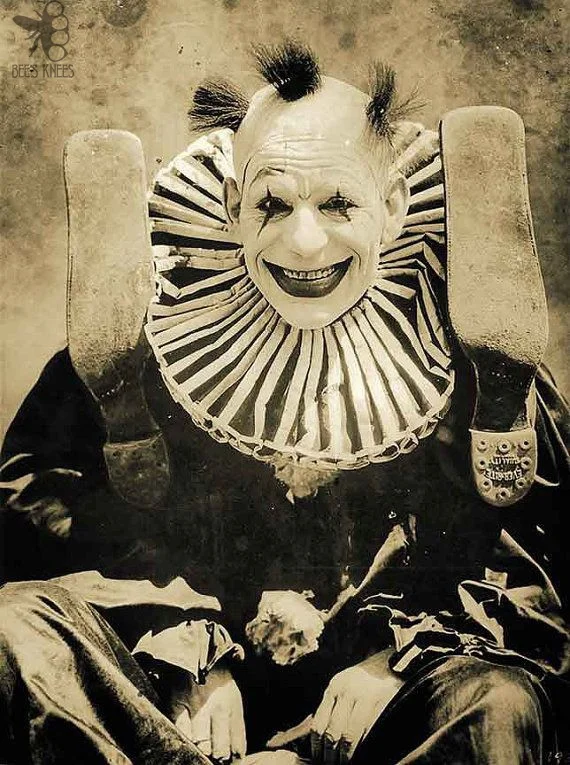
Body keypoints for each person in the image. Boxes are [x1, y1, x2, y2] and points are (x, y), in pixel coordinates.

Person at [1, 40, 569, 764]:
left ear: (393, 206)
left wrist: (399, 659)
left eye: (339, 203)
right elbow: (41, 523)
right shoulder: (139, 347)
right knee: (17, 627)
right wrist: (185, 648)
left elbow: (532, 573)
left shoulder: (480, 362)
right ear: (232, 205)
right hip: (175, 714)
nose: (304, 243)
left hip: (382, 722)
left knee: (497, 702)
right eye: (272, 204)